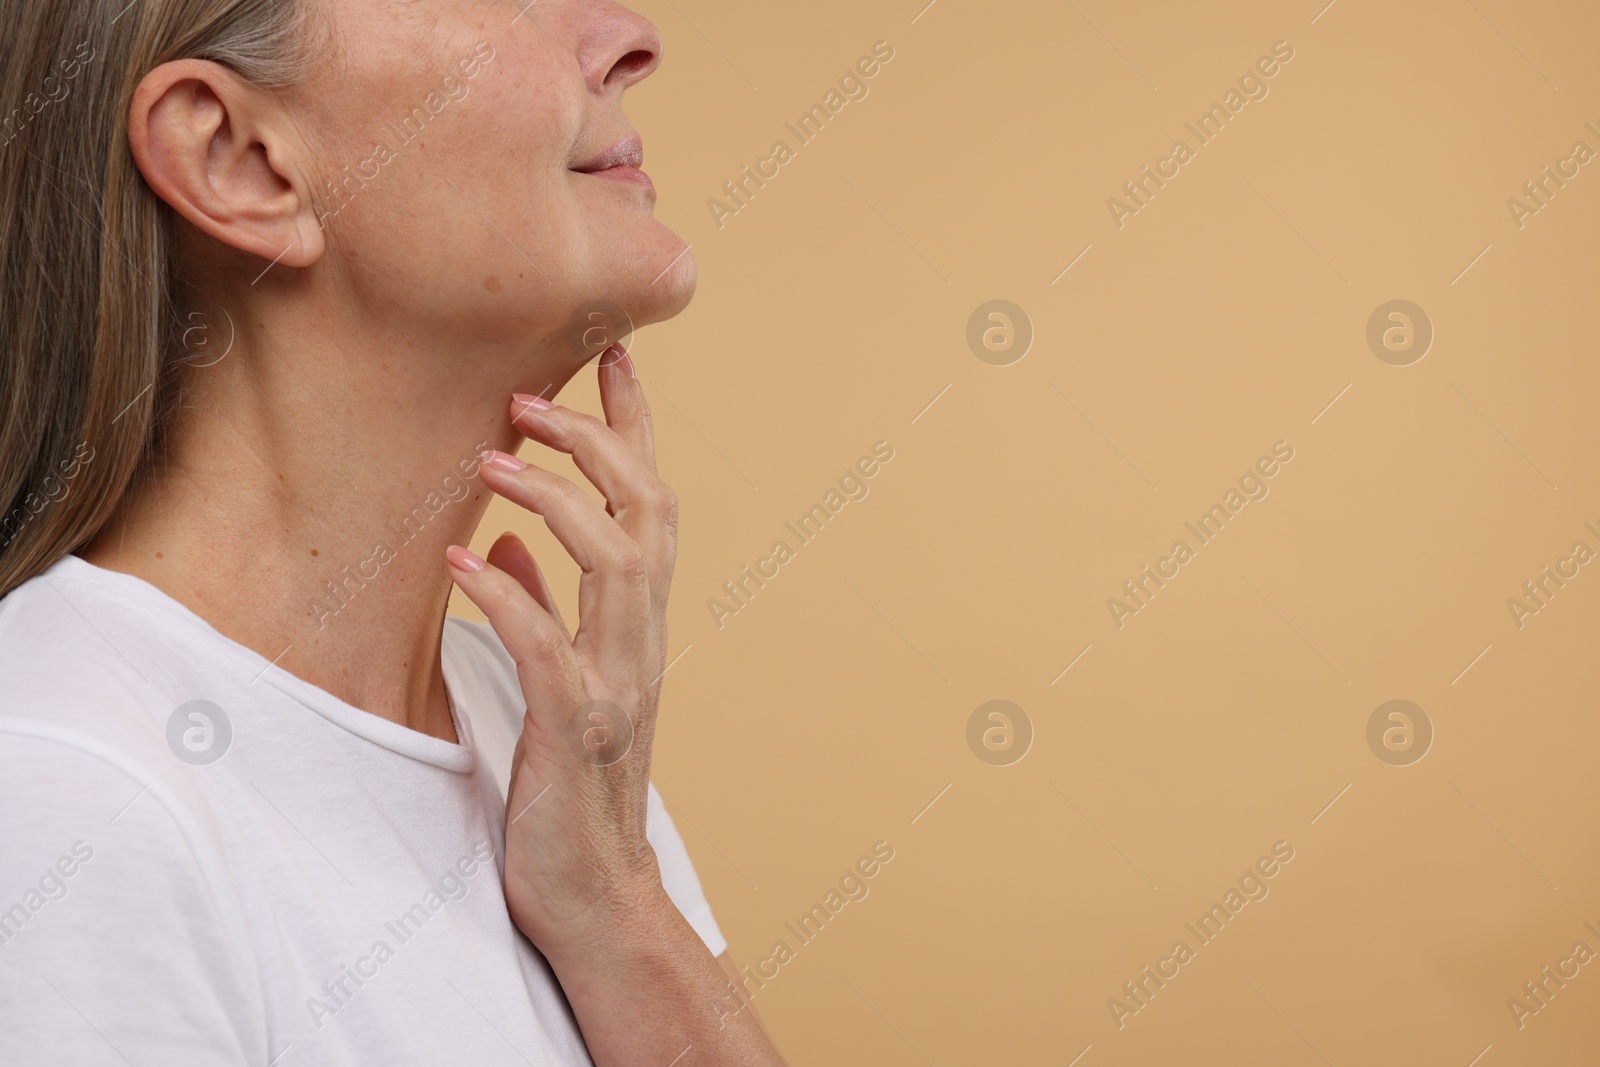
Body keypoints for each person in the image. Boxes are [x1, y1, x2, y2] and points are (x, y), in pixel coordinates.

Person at [0, 0, 784, 1063]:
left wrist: (617, 903)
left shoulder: (535, 723)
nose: (633, 38)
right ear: (238, 160)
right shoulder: (64, 789)